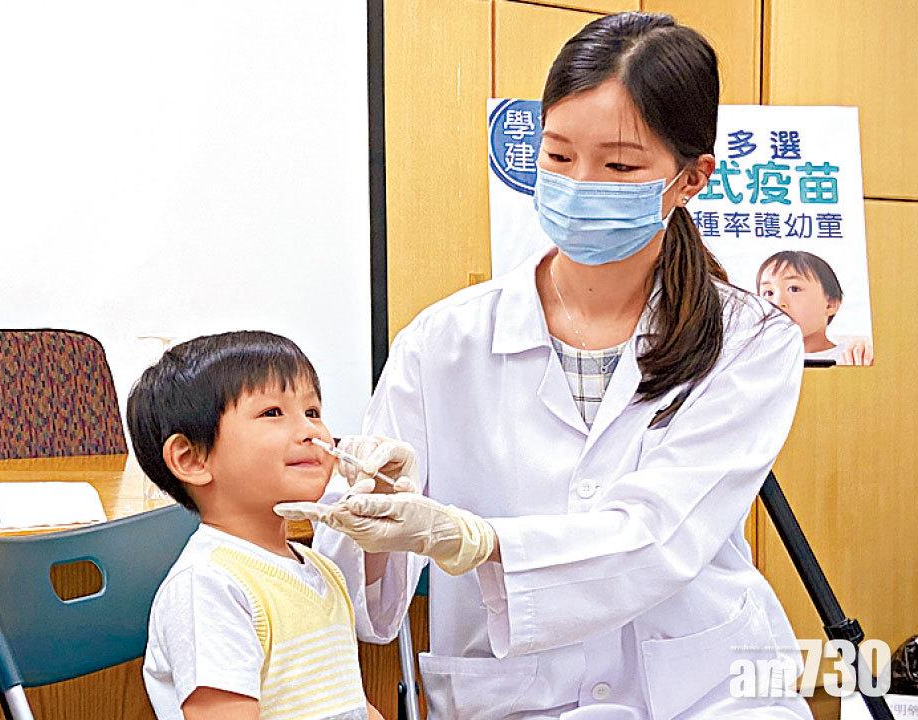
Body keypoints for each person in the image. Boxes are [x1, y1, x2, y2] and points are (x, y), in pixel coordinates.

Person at [277, 13, 813, 720]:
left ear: (691, 178)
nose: (579, 183)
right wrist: (375, 518)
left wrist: (477, 540)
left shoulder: (750, 340)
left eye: (619, 167)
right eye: (558, 156)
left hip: (706, 694)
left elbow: (659, 535)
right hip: (517, 698)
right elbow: (360, 604)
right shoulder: (443, 343)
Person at [128, 331, 384, 720]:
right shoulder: (209, 586)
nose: (312, 432)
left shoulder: (322, 571)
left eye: (312, 412)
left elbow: (350, 705)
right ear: (191, 459)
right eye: (273, 413)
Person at [756, 250, 873, 366]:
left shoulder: (851, 359)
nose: (777, 303)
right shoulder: (756, 360)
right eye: (768, 293)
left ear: (830, 304)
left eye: (794, 289)